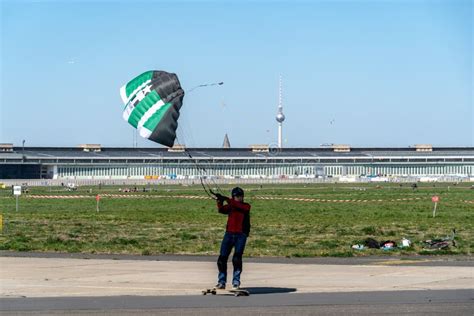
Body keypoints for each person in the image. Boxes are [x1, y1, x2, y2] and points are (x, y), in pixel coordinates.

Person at [214, 187, 251, 290]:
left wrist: (226, 198)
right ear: (234, 197)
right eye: (236, 197)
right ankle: (221, 282)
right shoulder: (231, 206)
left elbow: (237, 205)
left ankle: (236, 281)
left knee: (237, 259)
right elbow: (221, 210)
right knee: (222, 259)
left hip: (241, 235)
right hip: (229, 234)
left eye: (240, 196)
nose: (239, 198)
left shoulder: (245, 206)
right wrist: (219, 201)